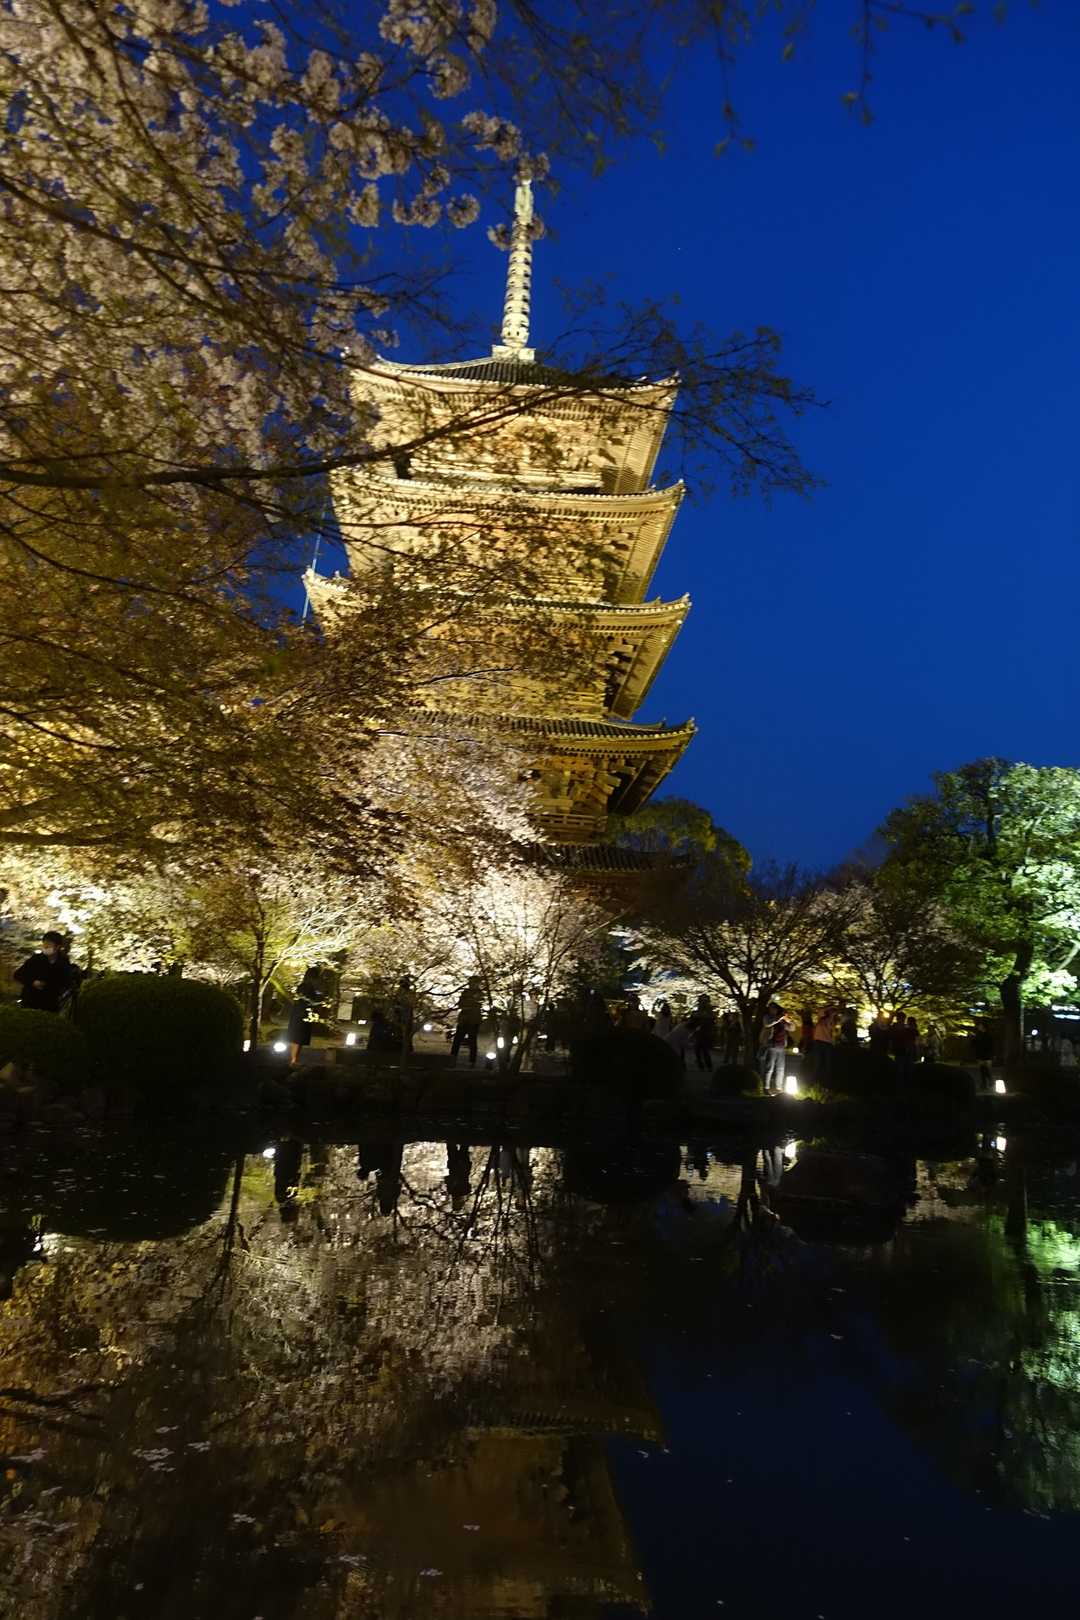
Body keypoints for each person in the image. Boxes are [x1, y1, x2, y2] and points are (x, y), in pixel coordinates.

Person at [14, 931, 81, 1014]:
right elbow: (18, 975)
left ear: (57, 947)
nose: (45, 947)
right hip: (30, 1002)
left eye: (48, 945)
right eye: (44, 945)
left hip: (51, 1005)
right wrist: (33, 982)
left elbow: (66, 982)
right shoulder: (35, 960)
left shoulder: (63, 962)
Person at [286, 965, 323, 1065]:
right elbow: (311, 1000)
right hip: (302, 1013)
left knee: (298, 1038)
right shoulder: (308, 987)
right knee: (298, 1038)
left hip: (300, 1013)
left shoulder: (304, 986)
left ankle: (294, 1059)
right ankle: (294, 1059)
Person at [451, 976, 484, 1067]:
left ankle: (472, 1061)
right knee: (457, 1040)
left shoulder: (480, 993)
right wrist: (469, 1003)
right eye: (470, 982)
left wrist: (470, 1003)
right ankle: (452, 1059)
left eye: (473, 982)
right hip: (463, 1020)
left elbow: (478, 1003)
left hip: (473, 1020)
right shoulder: (465, 992)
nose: (471, 984)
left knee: (472, 1041)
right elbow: (461, 1004)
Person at [760, 1002, 790, 1094]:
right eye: (771, 1008)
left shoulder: (781, 1019)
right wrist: (780, 1018)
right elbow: (768, 1024)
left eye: (774, 1008)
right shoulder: (767, 1017)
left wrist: (789, 1020)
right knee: (769, 1068)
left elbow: (792, 1028)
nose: (773, 1009)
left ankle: (779, 1088)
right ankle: (766, 1087)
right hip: (772, 1045)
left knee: (780, 1068)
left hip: (781, 1046)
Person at [689, 994, 717, 1072]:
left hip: (704, 1034)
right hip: (701, 1034)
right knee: (700, 1050)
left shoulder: (708, 1013)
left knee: (703, 1050)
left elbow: (711, 1022)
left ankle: (706, 1066)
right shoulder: (700, 1013)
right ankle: (704, 1066)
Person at [811, 1006, 837, 1084]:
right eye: (831, 1011)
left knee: (827, 1064)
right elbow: (820, 1010)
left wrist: (832, 1017)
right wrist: (830, 1007)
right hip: (819, 1042)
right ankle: (815, 1081)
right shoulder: (821, 1018)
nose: (832, 1012)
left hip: (827, 1043)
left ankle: (825, 1082)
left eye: (833, 1011)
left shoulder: (832, 1020)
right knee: (818, 1063)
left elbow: (832, 1030)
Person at [894, 1015, 918, 1084]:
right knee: (907, 1068)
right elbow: (916, 1042)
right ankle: (907, 1083)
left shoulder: (906, 1029)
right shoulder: (912, 1030)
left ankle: (901, 1083)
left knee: (902, 1068)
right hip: (907, 1051)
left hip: (905, 1051)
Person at [972, 1022, 995, 1088]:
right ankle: (985, 1083)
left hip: (986, 1055)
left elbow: (991, 1045)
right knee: (982, 1069)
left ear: (983, 1027)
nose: (978, 1027)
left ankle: (989, 1082)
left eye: (980, 1026)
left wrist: (992, 1054)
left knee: (986, 1069)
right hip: (981, 1054)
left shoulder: (987, 1035)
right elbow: (974, 1044)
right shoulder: (979, 1035)